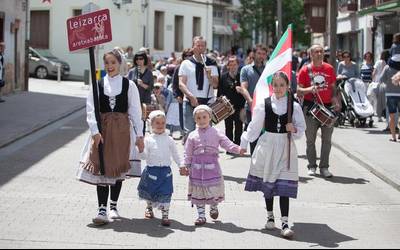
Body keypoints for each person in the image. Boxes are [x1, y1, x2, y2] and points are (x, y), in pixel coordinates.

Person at [76, 49, 144, 225]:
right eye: (107, 63)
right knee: (102, 167)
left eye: (113, 62)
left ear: (119, 64)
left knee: (117, 168)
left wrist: (140, 135)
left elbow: (135, 111)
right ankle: (101, 209)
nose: (110, 66)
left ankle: (113, 206)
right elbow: (91, 110)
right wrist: (95, 131)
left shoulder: (129, 85)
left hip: (122, 131)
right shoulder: (97, 85)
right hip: (103, 131)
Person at [240, 71, 306, 239]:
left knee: (284, 186)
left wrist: (295, 129)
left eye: (282, 85)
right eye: (275, 85)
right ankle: (270, 215)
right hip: (268, 146)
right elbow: (254, 126)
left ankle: (285, 223)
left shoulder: (294, 105)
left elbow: (301, 130)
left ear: (287, 86)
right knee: (268, 183)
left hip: (285, 147)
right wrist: (244, 143)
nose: (278, 88)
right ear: (271, 86)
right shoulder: (264, 104)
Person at [182, 105, 245, 226]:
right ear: (195, 120)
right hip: (196, 169)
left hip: (212, 168)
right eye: (198, 118)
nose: (201, 120)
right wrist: (186, 165)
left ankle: (213, 206)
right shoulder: (192, 135)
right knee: (198, 191)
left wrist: (238, 149)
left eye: (204, 117)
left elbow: (227, 143)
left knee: (213, 189)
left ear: (210, 117)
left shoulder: (216, 133)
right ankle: (201, 216)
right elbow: (187, 152)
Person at [137, 110, 186, 226]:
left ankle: (165, 214)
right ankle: (149, 207)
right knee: (150, 192)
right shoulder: (148, 139)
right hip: (151, 171)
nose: (160, 126)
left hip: (165, 172)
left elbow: (176, 154)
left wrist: (181, 165)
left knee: (166, 192)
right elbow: (144, 156)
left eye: (162, 123)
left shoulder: (169, 139)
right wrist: (140, 148)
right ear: (151, 124)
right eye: (157, 123)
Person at [297, 44, 338, 178]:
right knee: (310, 140)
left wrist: (335, 99)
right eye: (316, 52)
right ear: (311, 54)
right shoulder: (304, 70)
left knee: (327, 140)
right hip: (310, 108)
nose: (319, 54)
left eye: (321, 51)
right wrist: (309, 90)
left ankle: (324, 167)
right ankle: (312, 166)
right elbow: (298, 90)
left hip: (327, 107)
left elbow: (333, 87)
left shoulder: (329, 69)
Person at [178, 36, 219, 136]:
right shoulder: (186, 63)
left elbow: (215, 85)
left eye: (202, 46)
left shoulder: (211, 63)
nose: (200, 48)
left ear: (205, 48)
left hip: (207, 101)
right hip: (189, 100)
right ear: (193, 47)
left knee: (207, 131)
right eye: (198, 45)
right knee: (189, 131)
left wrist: (209, 76)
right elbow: (181, 84)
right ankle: (189, 152)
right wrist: (191, 97)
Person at [239, 44, 268, 154]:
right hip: (252, 108)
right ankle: (255, 165)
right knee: (253, 137)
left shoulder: (269, 69)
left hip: (267, 107)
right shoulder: (246, 70)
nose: (261, 56)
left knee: (266, 137)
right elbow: (243, 88)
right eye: (259, 53)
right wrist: (250, 101)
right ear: (253, 54)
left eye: (264, 54)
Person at [217, 56, 245, 147]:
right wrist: (219, 104)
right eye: (231, 65)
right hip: (227, 106)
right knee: (228, 126)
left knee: (239, 126)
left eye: (235, 64)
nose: (233, 67)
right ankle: (229, 146)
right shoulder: (224, 76)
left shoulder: (241, 76)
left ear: (238, 65)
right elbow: (220, 91)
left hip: (239, 106)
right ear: (228, 66)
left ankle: (237, 145)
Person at [127, 50, 154, 134]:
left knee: (143, 120)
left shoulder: (149, 73)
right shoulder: (132, 72)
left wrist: (142, 84)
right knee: (133, 118)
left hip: (144, 100)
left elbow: (151, 87)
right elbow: (127, 85)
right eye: (137, 59)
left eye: (141, 59)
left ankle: (141, 136)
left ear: (144, 59)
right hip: (134, 99)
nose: (139, 61)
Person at [380, 54, 400, 142]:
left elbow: (382, 79)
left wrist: (389, 83)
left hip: (390, 94)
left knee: (392, 116)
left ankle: (393, 137)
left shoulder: (387, 68)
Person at [374, 50, 391, 122]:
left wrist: (373, 81)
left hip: (379, 83)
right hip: (389, 84)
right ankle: (386, 117)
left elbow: (374, 72)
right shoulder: (390, 64)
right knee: (386, 102)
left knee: (379, 101)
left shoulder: (378, 62)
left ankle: (379, 116)